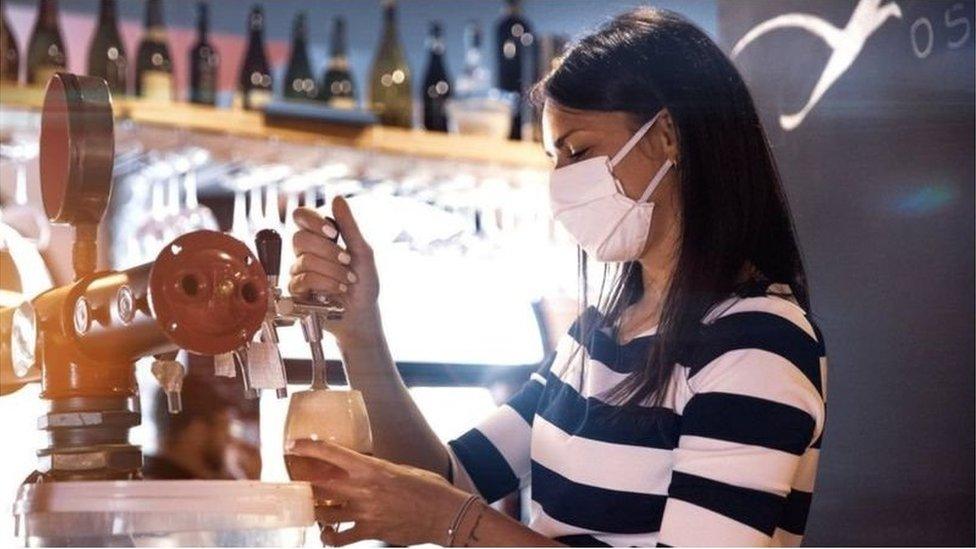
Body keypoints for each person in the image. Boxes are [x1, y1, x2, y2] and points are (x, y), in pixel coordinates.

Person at [284, 7, 827, 547]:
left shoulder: (758, 342)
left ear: (667, 137)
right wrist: (360, 332)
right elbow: (448, 475)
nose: (562, 183)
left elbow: (447, 504)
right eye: (553, 158)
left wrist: (454, 521)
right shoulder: (596, 336)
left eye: (579, 151)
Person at [143, 356, 262, 481]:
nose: (230, 440)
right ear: (196, 430)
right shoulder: (187, 491)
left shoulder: (146, 478)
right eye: (224, 427)